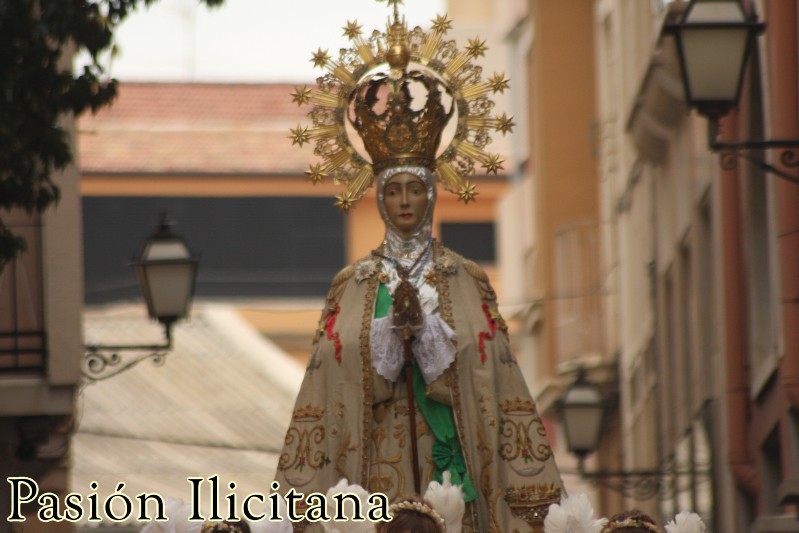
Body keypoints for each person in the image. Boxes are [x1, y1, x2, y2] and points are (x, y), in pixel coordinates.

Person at [276, 6, 563, 532]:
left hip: (452, 471)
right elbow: (328, 382)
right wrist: (388, 342)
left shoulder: (465, 278)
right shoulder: (353, 285)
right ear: (378, 197)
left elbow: (494, 373)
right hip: (374, 474)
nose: (405, 201)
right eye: (393, 190)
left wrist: (432, 343)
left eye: (415, 189)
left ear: (432, 193)